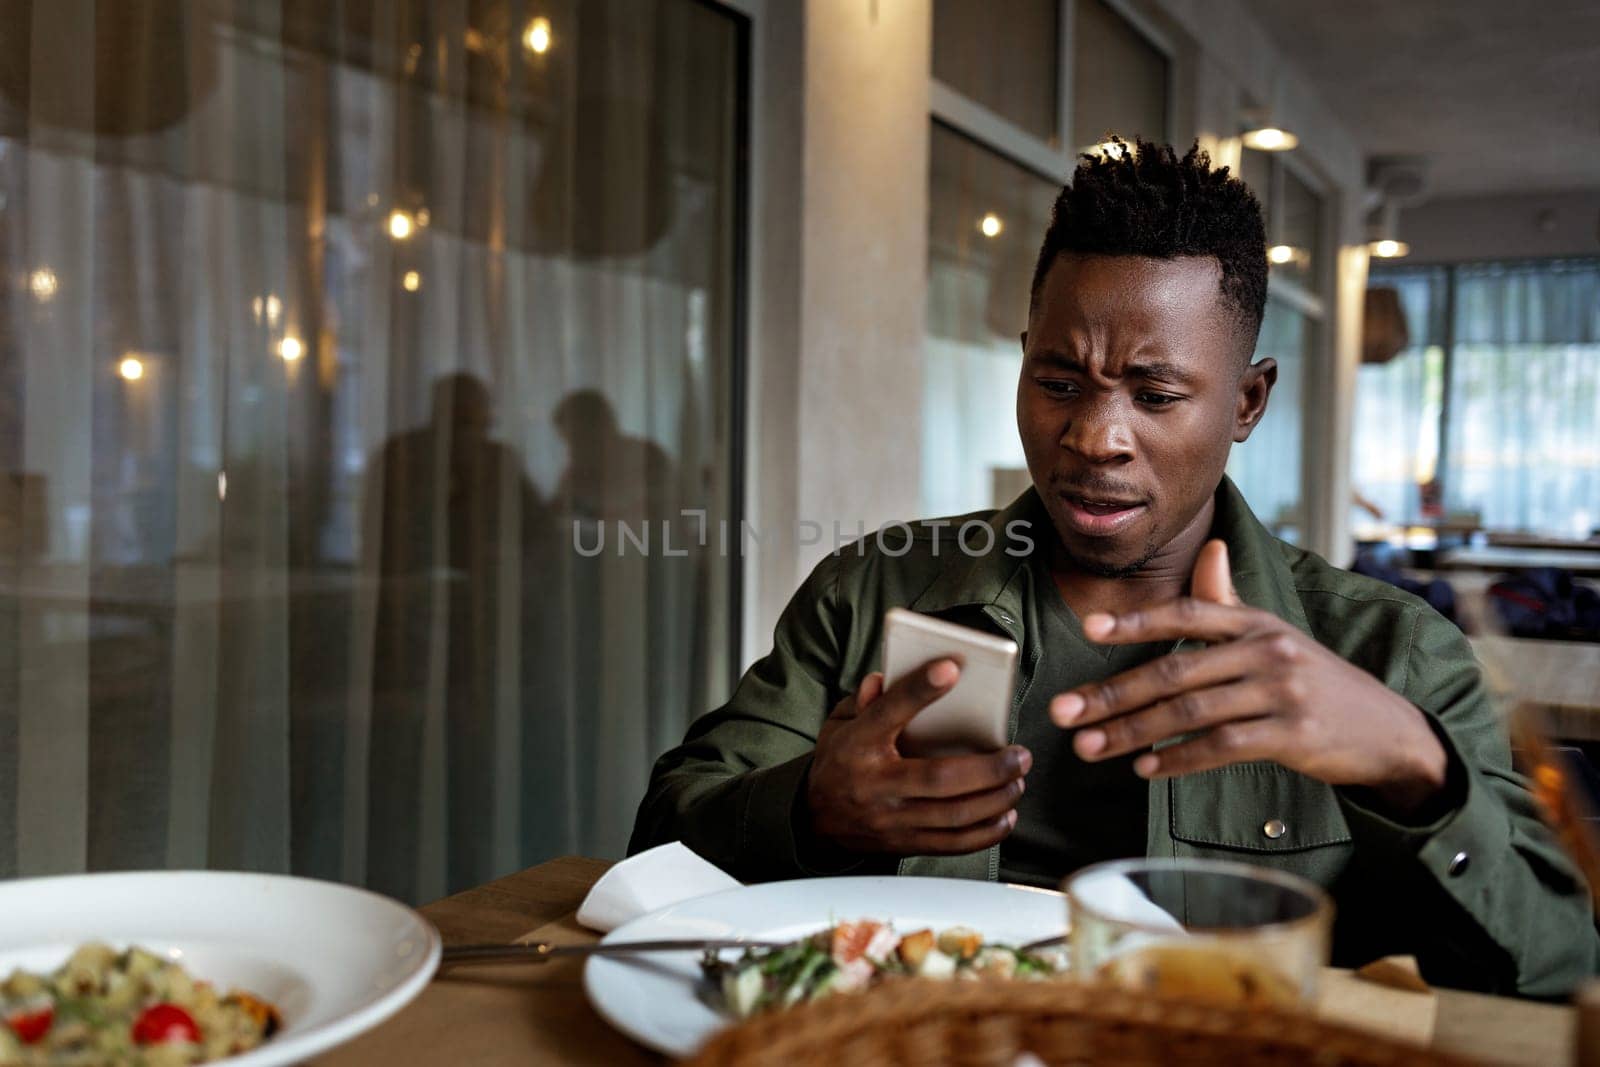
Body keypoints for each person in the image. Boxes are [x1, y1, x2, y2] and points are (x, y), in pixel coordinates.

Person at [629, 141, 1598, 997]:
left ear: (1248, 400)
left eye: (1155, 391)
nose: (1095, 436)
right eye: (1059, 382)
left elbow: (1552, 966)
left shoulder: (1387, 652)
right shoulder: (870, 590)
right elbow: (657, 844)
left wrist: (1410, 763)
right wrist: (809, 811)